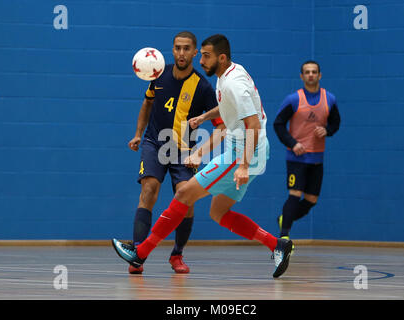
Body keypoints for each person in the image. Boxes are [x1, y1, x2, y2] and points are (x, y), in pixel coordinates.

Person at [112, 34, 293, 278]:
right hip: (248, 150)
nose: (202, 60)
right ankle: (277, 245)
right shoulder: (229, 74)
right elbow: (230, 107)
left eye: (206, 56)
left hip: (243, 153)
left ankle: (141, 252)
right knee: (218, 213)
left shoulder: (232, 84)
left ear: (221, 57)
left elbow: (253, 125)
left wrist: (243, 165)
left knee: (184, 193)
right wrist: (204, 118)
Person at [124, 31, 224, 274]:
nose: (181, 53)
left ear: (194, 52)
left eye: (186, 48)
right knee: (148, 189)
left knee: (185, 199)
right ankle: (138, 253)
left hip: (183, 151)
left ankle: (177, 254)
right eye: (177, 48)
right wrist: (138, 133)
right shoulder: (159, 75)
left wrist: (199, 153)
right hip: (154, 143)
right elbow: (147, 103)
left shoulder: (202, 87)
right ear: (172, 50)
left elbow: (221, 127)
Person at [273, 61, 341, 241]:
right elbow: (278, 124)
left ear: (320, 75)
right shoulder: (293, 100)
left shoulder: (330, 99)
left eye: (314, 72)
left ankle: (284, 219)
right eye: (307, 72)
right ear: (301, 76)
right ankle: (284, 238)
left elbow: (335, 122)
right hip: (297, 158)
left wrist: (327, 131)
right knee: (294, 195)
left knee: (311, 200)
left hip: (317, 159)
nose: (311, 75)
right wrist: (292, 143)